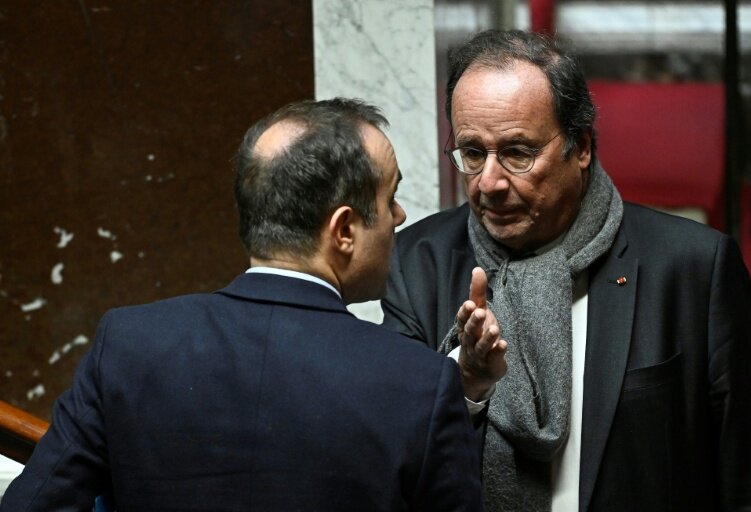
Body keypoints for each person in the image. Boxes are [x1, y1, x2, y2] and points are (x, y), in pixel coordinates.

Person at [0, 98, 485, 512]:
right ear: (343, 230)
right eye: (390, 198)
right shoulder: (419, 383)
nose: (399, 216)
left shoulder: (127, 347)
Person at [382, 29, 751, 512]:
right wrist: (467, 386)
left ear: (580, 146)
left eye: (518, 153)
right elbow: (393, 462)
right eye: (473, 153)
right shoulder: (417, 263)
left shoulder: (692, 269)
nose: (489, 182)